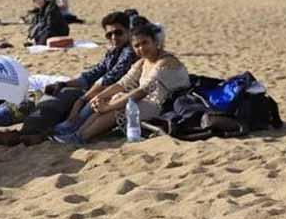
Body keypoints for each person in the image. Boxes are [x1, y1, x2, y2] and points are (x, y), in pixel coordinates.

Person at [0, 11, 136, 146]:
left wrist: (81, 99)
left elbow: (110, 80)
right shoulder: (114, 52)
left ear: (129, 32)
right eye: (109, 35)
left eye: (118, 32)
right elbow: (92, 74)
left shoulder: (129, 52)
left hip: (113, 96)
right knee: (57, 94)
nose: (114, 37)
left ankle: (25, 136)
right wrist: (62, 83)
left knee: (66, 102)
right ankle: (27, 134)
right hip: (96, 92)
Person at [54, 23, 188, 144]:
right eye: (137, 46)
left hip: (165, 106)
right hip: (147, 101)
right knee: (111, 98)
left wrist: (108, 107)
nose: (141, 48)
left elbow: (143, 91)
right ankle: (78, 133)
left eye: (145, 43)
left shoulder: (165, 62)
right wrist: (100, 97)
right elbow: (123, 83)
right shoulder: (142, 61)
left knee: (120, 108)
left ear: (155, 42)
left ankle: (81, 137)